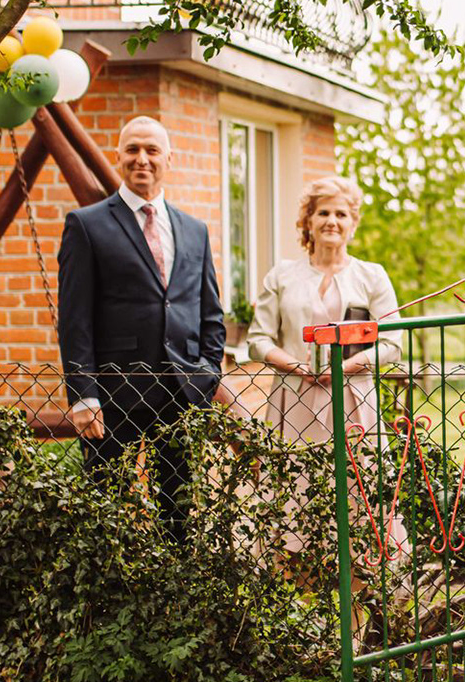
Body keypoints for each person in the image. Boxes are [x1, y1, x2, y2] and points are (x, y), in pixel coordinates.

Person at [57, 116, 227, 538]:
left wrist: (207, 374)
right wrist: (83, 395)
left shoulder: (195, 230)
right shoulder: (86, 224)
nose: (142, 159)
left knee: (179, 517)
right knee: (105, 515)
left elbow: (210, 312)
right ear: (118, 155)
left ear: (170, 158)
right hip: (112, 397)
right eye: (132, 149)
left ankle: (178, 581)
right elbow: (75, 319)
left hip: (181, 395)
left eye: (152, 150)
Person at [248, 177, 400, 444]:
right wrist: (297, 367)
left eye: (341, 214)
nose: (332, 221)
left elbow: (392, 345)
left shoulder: (372, 276)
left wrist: (343, 368)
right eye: (323, 213)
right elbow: (258, 341)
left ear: (353, 224)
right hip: (292, 397)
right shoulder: (281, 276)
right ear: (308, 222)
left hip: (354, 398)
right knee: (290, 469)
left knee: (356, 470)